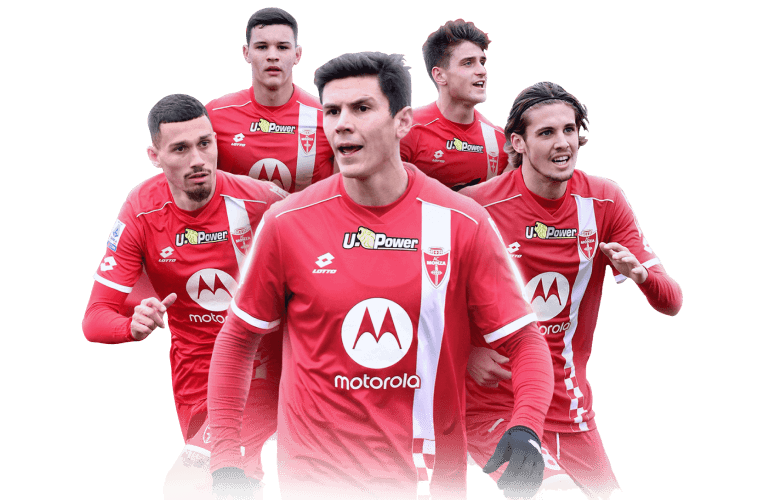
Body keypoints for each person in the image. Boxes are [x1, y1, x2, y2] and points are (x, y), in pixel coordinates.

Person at [204, 52, 555, 500]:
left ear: (403, 122)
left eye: (361, 108)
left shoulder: (461, 222)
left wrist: (526, 427)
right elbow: (238, 340)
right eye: (332, 111)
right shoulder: (287, 222)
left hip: (429, 479)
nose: (342, 124)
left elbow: (524, 341)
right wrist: (225, 460)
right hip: (316, 477)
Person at [461, 81, 683, 499]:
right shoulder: (477, 207)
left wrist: (641, 276)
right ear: (518, 143)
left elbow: (672, 302)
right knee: (554, 492)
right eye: (546, 132)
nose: (562, 142)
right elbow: (419, 296)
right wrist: (465, 353)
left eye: (569, 130)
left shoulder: (604, 199)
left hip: (568, 405)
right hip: (493, 405)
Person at [81, 93, 286, 496]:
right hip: (197, 371)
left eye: (205, 144)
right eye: (180, 149)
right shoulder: (141, 210)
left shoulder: (260, 200)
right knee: (231, 489)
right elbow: (94, 319)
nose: (198, 159)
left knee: (190, 487)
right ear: (154, 156)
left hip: (262, 362)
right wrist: (131, 326)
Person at [206, 7, 335, 194]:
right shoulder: (216, 114)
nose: (272, 56)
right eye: (262, 47)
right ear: (246, 53)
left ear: (297, 55)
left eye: (282, 47)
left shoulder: (326, 116)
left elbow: (345, 190)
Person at [399, 19, 510, 191]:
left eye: (482, 62)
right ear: (440, 76)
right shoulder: (406, 129)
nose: (482, 71)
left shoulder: (500, 140)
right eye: (468, 63)